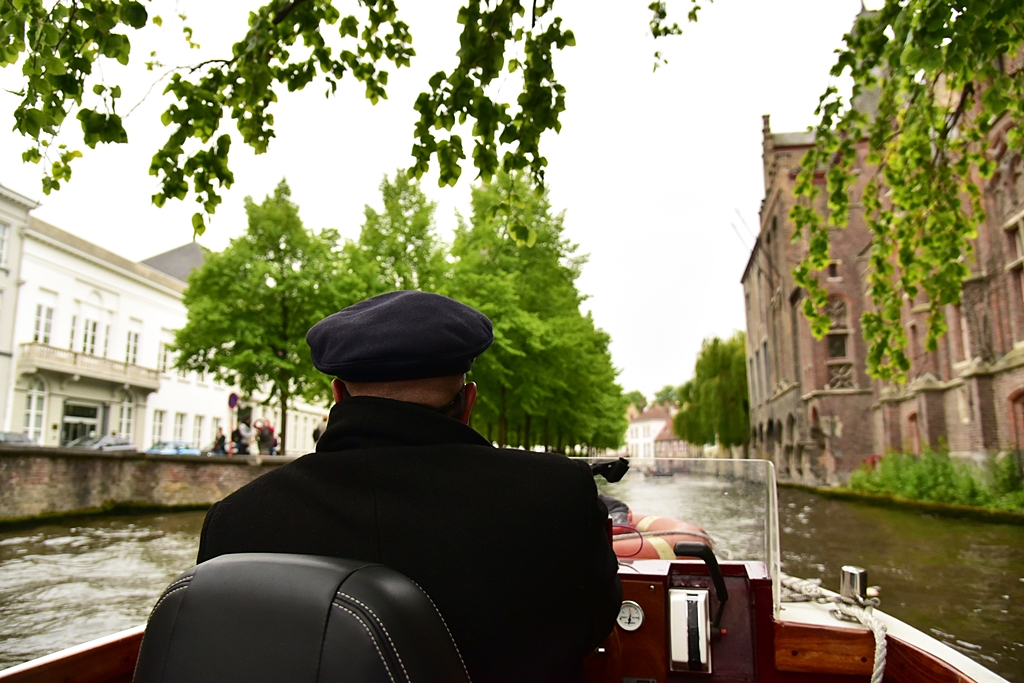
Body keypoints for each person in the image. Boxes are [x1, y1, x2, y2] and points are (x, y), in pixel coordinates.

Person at [197, 291, 621, 683]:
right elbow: (595, 624)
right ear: (468, 403)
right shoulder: (558, 493)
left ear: (338, 396)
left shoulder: (234, 521)